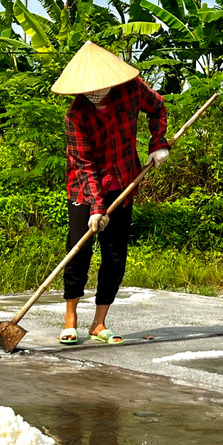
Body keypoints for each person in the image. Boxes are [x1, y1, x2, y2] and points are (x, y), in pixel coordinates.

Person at [50, 41, 169, 345]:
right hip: (85, 190)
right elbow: (84, 164)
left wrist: (157, 144)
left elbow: (157, 108)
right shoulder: (76, 116)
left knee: (114, 257)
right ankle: (70, 318)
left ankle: (98, 323)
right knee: (79, 251)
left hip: (124, 183)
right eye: (86, 90)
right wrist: (95, 209)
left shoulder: (132, 90)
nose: (93, 93)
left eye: (98, 88)